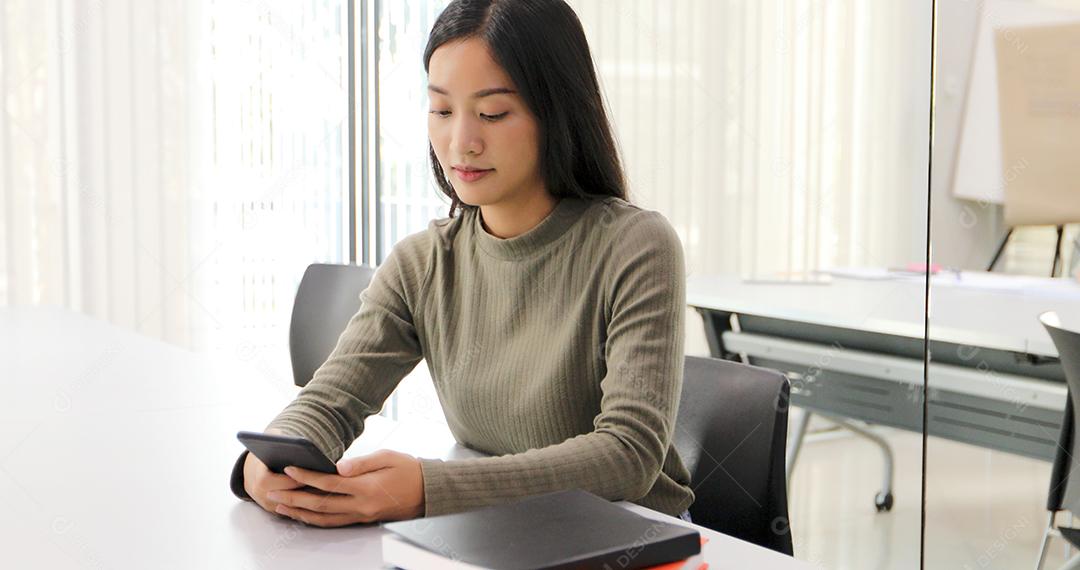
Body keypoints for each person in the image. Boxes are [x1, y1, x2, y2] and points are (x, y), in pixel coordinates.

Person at [229, 0, 694, 527]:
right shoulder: (423, 263)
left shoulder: (636, 246)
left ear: (558, 111)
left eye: (492, 113)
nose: (460, 143)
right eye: (442, 110)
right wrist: (265, 465)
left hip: (635, 534)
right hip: (503, 530)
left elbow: (628, 454)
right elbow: (331, 400)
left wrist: (428, 490)